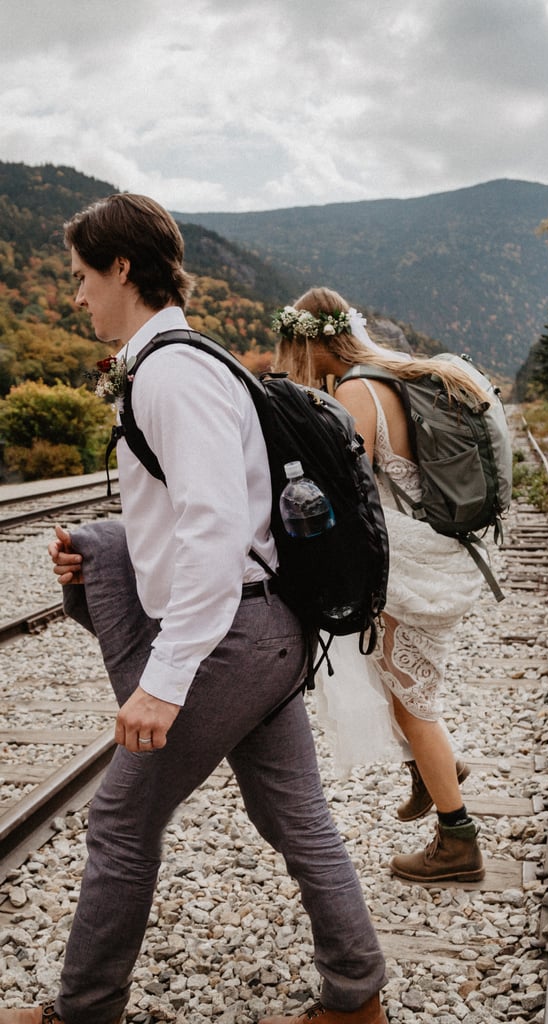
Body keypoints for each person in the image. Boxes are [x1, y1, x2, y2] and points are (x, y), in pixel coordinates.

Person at [0, 196, 387, 1024]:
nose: (75, 299)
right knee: (296, 815)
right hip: (262, 632)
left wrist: (166, 680)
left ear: (123, 270)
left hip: (229, 642)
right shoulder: (185, 361)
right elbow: (206, 512)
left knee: (119, 820)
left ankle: (85, 1010)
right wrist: (106, 542)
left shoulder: (172, 373)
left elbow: (213, 533)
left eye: (80, 279)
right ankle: (358, 997)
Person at [273, 287, 487, 884]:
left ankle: (458, 839)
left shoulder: (355, 392)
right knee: (395, 681)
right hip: (431, 552)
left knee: (413, 700)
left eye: (293, 349)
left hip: (412, 564)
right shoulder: (385, 376)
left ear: (310, 343)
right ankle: (431, 770)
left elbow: (349, 486)